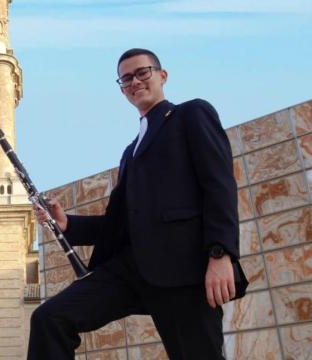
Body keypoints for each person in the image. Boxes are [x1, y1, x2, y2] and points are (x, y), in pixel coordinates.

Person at [28, 48, 249, 360]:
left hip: (183, 269)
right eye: (126, 78)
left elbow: (219, 185)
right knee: (50, 317)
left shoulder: (191, 114)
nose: (134, 82)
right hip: (129, 270)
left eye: (142, 73)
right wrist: (68, 224)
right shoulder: (131, 151)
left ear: (162, 75)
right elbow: (121, 222)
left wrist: (220, 253)